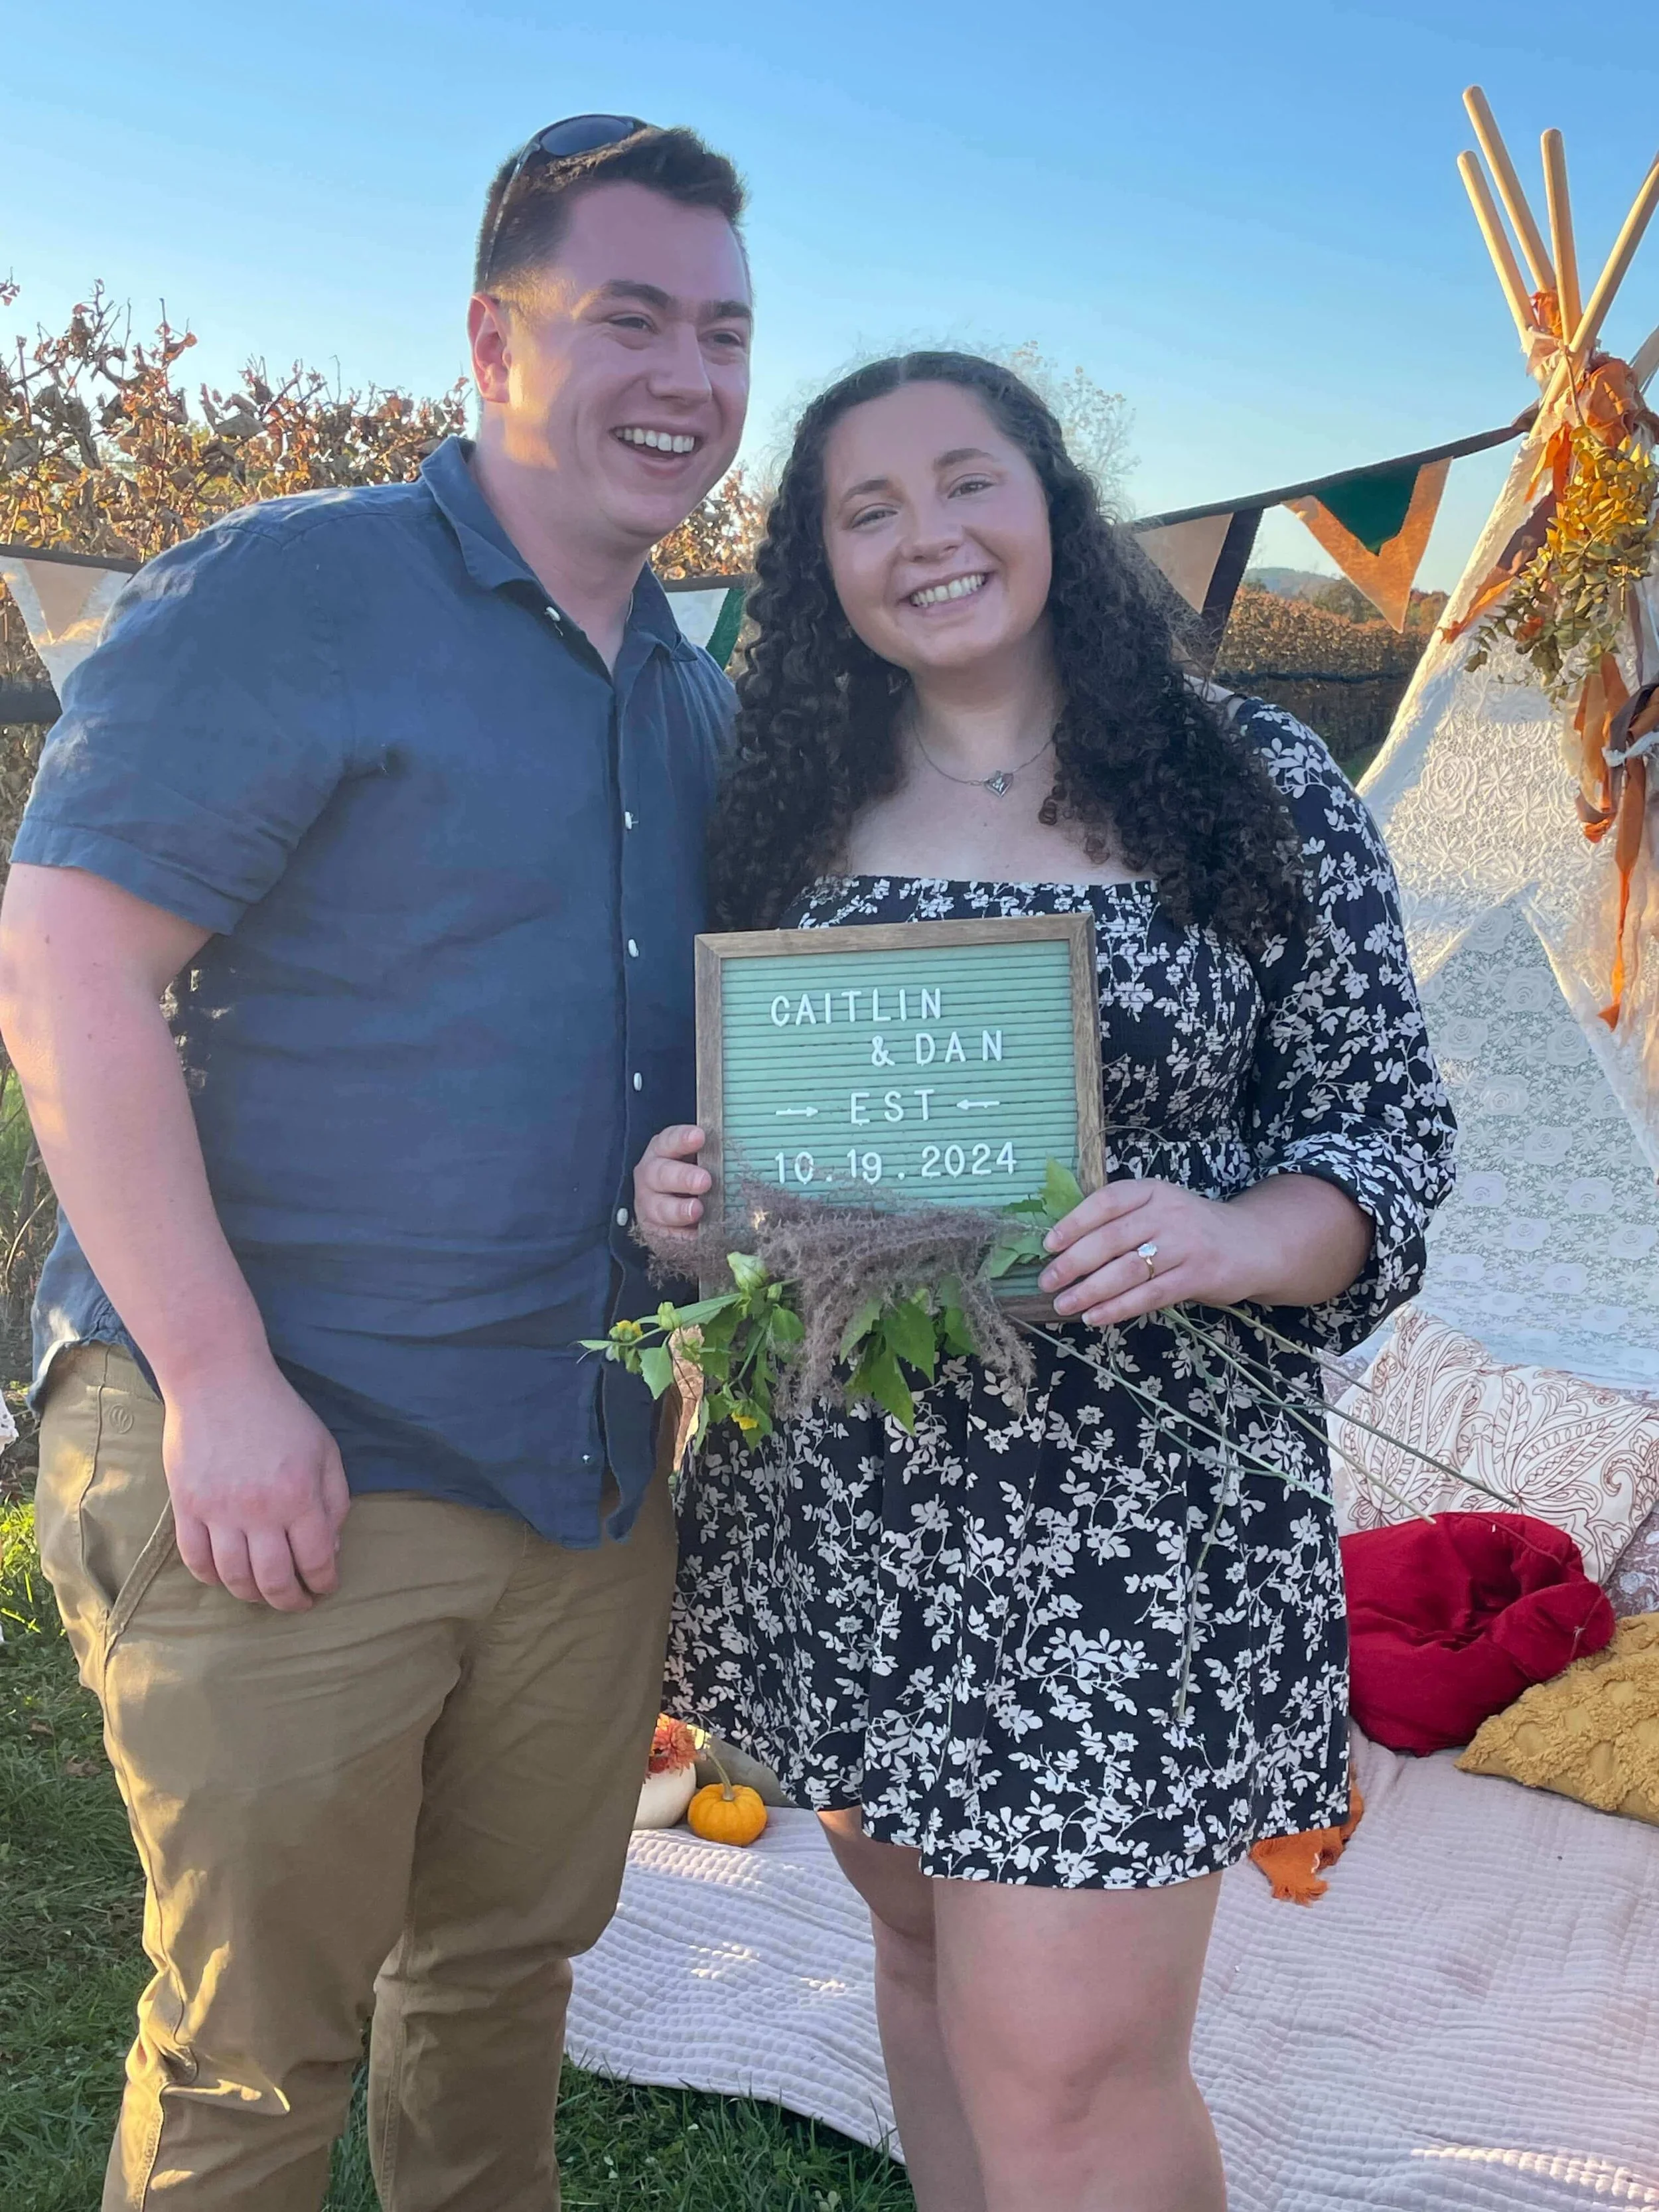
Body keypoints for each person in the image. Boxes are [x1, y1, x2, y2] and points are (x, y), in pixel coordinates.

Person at [0, 117, 751, 2210]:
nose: (684, 374)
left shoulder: (685, 688)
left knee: (502, 1981)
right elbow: (62, 962)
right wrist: (221, 1385)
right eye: (627, 317)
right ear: (492, 341)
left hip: (580, 1461)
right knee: (257, 2057)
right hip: (281, 1449)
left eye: (721, 327)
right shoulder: (300, 586)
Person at [636, 351, 1455, 2212]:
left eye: (966, 480)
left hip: (1134, 1540)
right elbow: (755, 1138)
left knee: (1069, 2080)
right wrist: (693, 1192)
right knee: (923, 1969)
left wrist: (1246, 1233)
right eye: (866, 508)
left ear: (1054, 505)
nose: (927, 535)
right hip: (844, 1514)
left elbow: (1384, 1130)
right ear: (816, 565)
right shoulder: (784, 809)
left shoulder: (1248, 780)